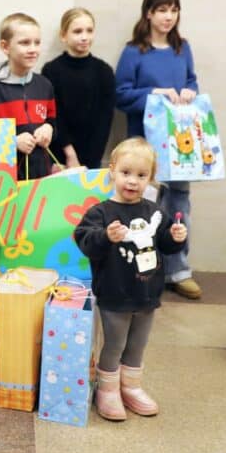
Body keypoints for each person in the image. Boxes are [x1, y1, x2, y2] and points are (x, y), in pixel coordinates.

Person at [74, 138, 187, 421]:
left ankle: (131, 387)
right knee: (115, 344)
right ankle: (108, 390)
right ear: (112, 170)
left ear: (150, 178)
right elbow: (84, 240)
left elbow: (165, 245)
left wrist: (175, 238)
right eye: (126, 172)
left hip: (147, 293)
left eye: (141, 175)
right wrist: (105, 236)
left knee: (137, 345)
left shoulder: (154, 212)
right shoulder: (100, 212)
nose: (133, 181)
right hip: (114, 293)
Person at [114, 0, 201, 300]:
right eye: (162, 10)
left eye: (174, 10)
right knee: (143, 205)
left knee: (179, 204)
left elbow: (192, 81)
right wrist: (155, 94)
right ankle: (142, 269)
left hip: (180, 144)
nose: (169, 16)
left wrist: (190, 91)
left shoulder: (182, 48)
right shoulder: (133, 52)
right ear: (148, 13)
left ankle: (179, 271)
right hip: (144, 145)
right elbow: (121, 95)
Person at [0, 12, 56, 333]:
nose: (32, 48)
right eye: (24, 42)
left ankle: (33, 303)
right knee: (3, 245)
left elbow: (53, 120)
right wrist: (10, 141)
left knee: (34, 240)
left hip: (39, 179)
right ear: (5, 47)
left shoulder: (45, 85)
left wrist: (49, 129)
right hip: (2, 183)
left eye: (36, 42)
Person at [42, 7, 115, 169]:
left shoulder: (104, 71)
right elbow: (55, 115)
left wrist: (91, 160)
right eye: (77, 31)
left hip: (92, 157)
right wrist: (70, 154)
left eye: (89, 31)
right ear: (63, 35)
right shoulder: (51, 71)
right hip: (60, 155)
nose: (84, 37)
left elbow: (105, 121)